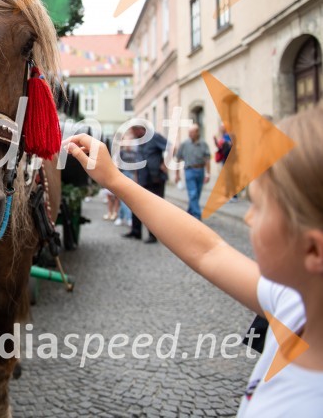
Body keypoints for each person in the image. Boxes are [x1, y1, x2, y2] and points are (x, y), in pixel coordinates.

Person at [64, 106, 323, 417]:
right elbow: (208, 250)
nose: (250, 219)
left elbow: (210, 251)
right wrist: (114, 180)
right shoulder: (298, 303)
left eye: (261, 207)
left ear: (313, 252)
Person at [124, 124, 168, 243]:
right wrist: (136, 179)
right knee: (137, 204)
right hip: (143, 178)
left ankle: (153, 235)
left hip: (156, 178)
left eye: (133, 132)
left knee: (153, 208)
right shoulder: (139, 141)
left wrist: (165, 164)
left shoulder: (154, 137)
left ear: (140, 130)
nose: (132, 135)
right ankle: (136, 231)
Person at [175, 125, 211, 220]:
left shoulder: (203, 144)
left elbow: (207, 159)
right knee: (193, 193)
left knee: (197, 193)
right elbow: (178, 158)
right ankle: (197, 215)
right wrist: (177, 174)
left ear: (197, 132)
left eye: (192, 132)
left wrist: (208, 173)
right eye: (189, 132)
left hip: (200, 170)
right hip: (189, 171)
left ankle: (190, 211)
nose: (190, 134)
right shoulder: (184, 144)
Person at [214, 123, 237, 202]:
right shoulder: (222, 136)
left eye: (222, 127)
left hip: (231, 160)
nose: (220, 129)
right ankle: (227, 195)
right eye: (220, 127)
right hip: (224, 159)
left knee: (231, 178)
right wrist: (215, 140)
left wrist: (226, 143)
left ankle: (234, 196)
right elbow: (219, 146)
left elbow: (233, 145)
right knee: (226, 178)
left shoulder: (230, 135)